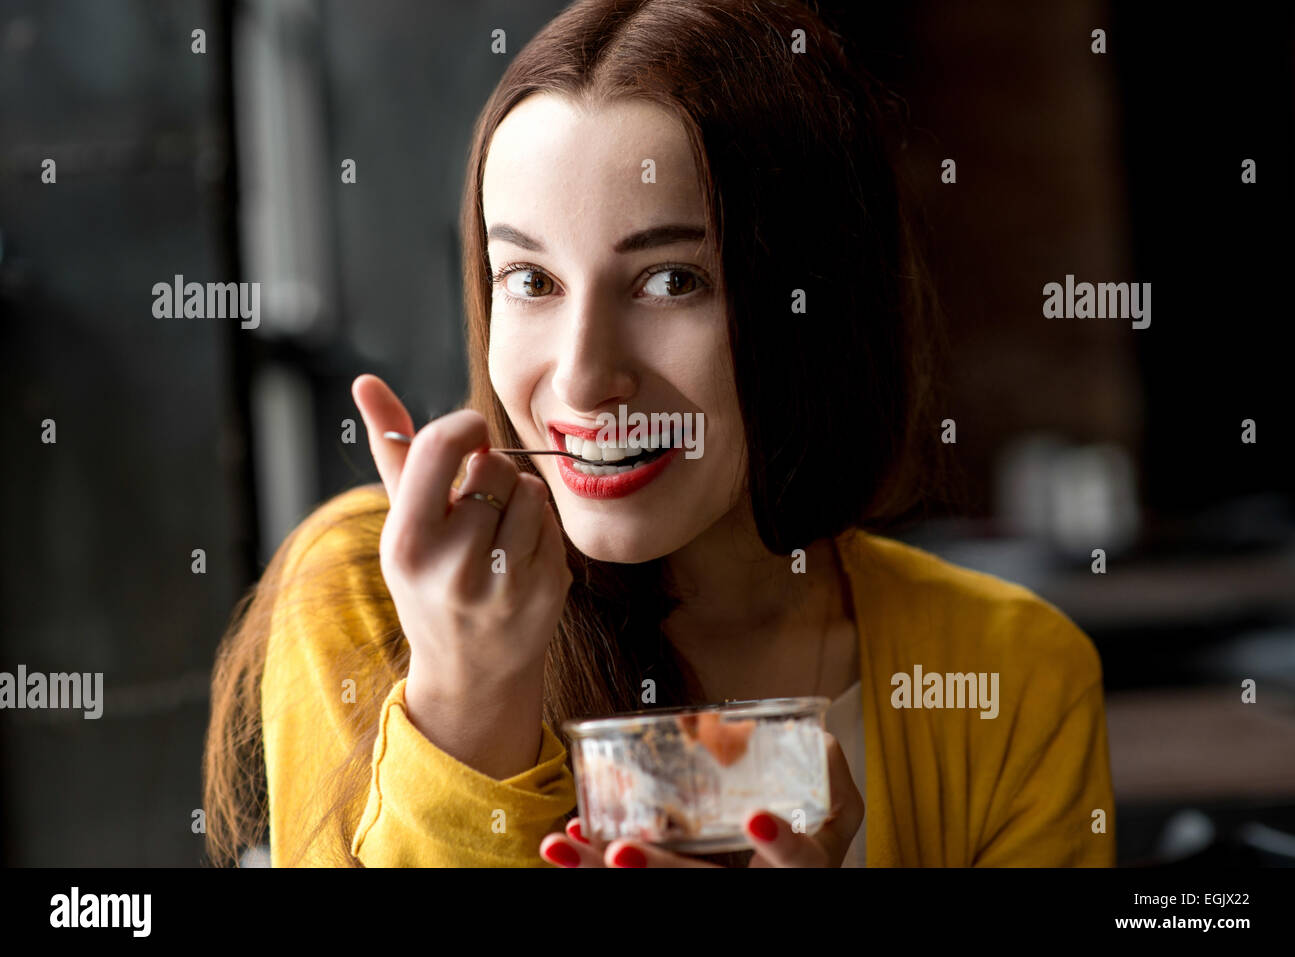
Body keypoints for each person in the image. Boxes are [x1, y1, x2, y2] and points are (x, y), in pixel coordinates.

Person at [204, 0, 1115, 868]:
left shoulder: (1014, 674)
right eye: (530, 279)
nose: (583, 376)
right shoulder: (368, 599)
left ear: (815, 312)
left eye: (672, 281)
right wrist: (466, 695)